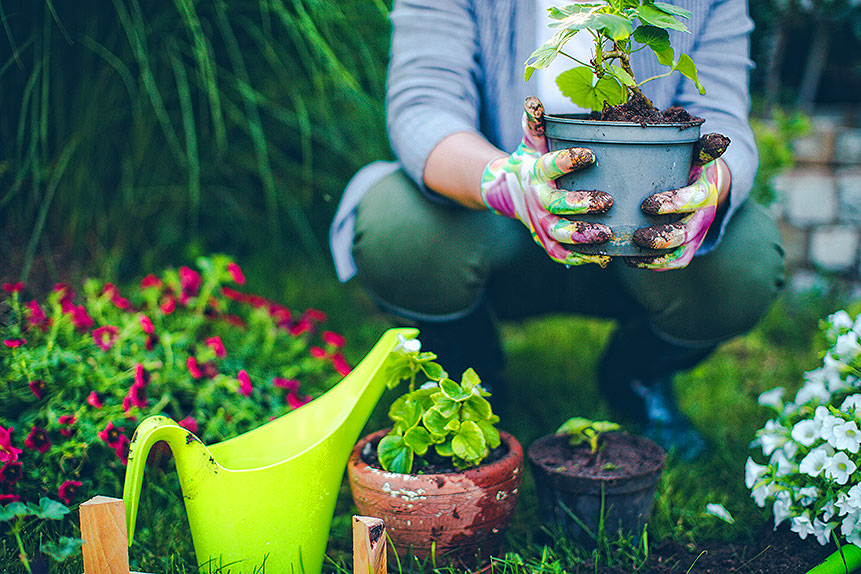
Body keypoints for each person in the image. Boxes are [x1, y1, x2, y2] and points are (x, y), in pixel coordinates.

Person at [329, 0, 785, 459]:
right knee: (397, 227)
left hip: (642, 226)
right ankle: (469, 367)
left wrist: (709, 186)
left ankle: (637, 373)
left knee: (746, 260)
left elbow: (721, 113)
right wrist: (507, 183)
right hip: (493, 223)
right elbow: (424, 107)